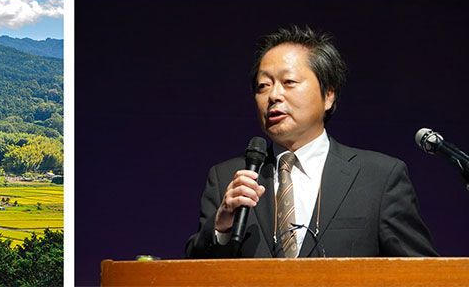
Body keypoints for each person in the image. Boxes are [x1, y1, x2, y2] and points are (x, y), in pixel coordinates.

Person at [185, 26, 437, 258]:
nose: (273, 95)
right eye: (263, 86)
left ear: (328, 95)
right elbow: (194, 273)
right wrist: (221, 229)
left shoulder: (379, 177)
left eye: (289, 82)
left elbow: (424, 273)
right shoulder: (226, 178)